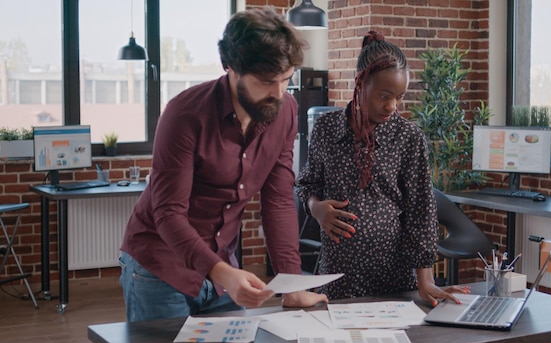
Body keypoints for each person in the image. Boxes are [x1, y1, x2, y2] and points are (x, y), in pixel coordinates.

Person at [119, 7, 328, 322]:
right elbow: (168, 214)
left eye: (286, 80)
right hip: (161, 266)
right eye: (267, 81)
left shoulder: (284, 111)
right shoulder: (184, 115)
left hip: (222, 272)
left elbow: (279, 200)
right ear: (231, 67)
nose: (279, 93)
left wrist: (292, 284)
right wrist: (223, 274)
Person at [296, 31, 469, 305]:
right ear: (360, 84)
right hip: (338, 277)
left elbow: (421, 211)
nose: (392, 106)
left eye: (399, 97)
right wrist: (316, 208)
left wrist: (426, 280)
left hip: (394, 280)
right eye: (384, 96)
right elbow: (307, 184)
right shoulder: (327, 129)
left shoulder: (408, 137)